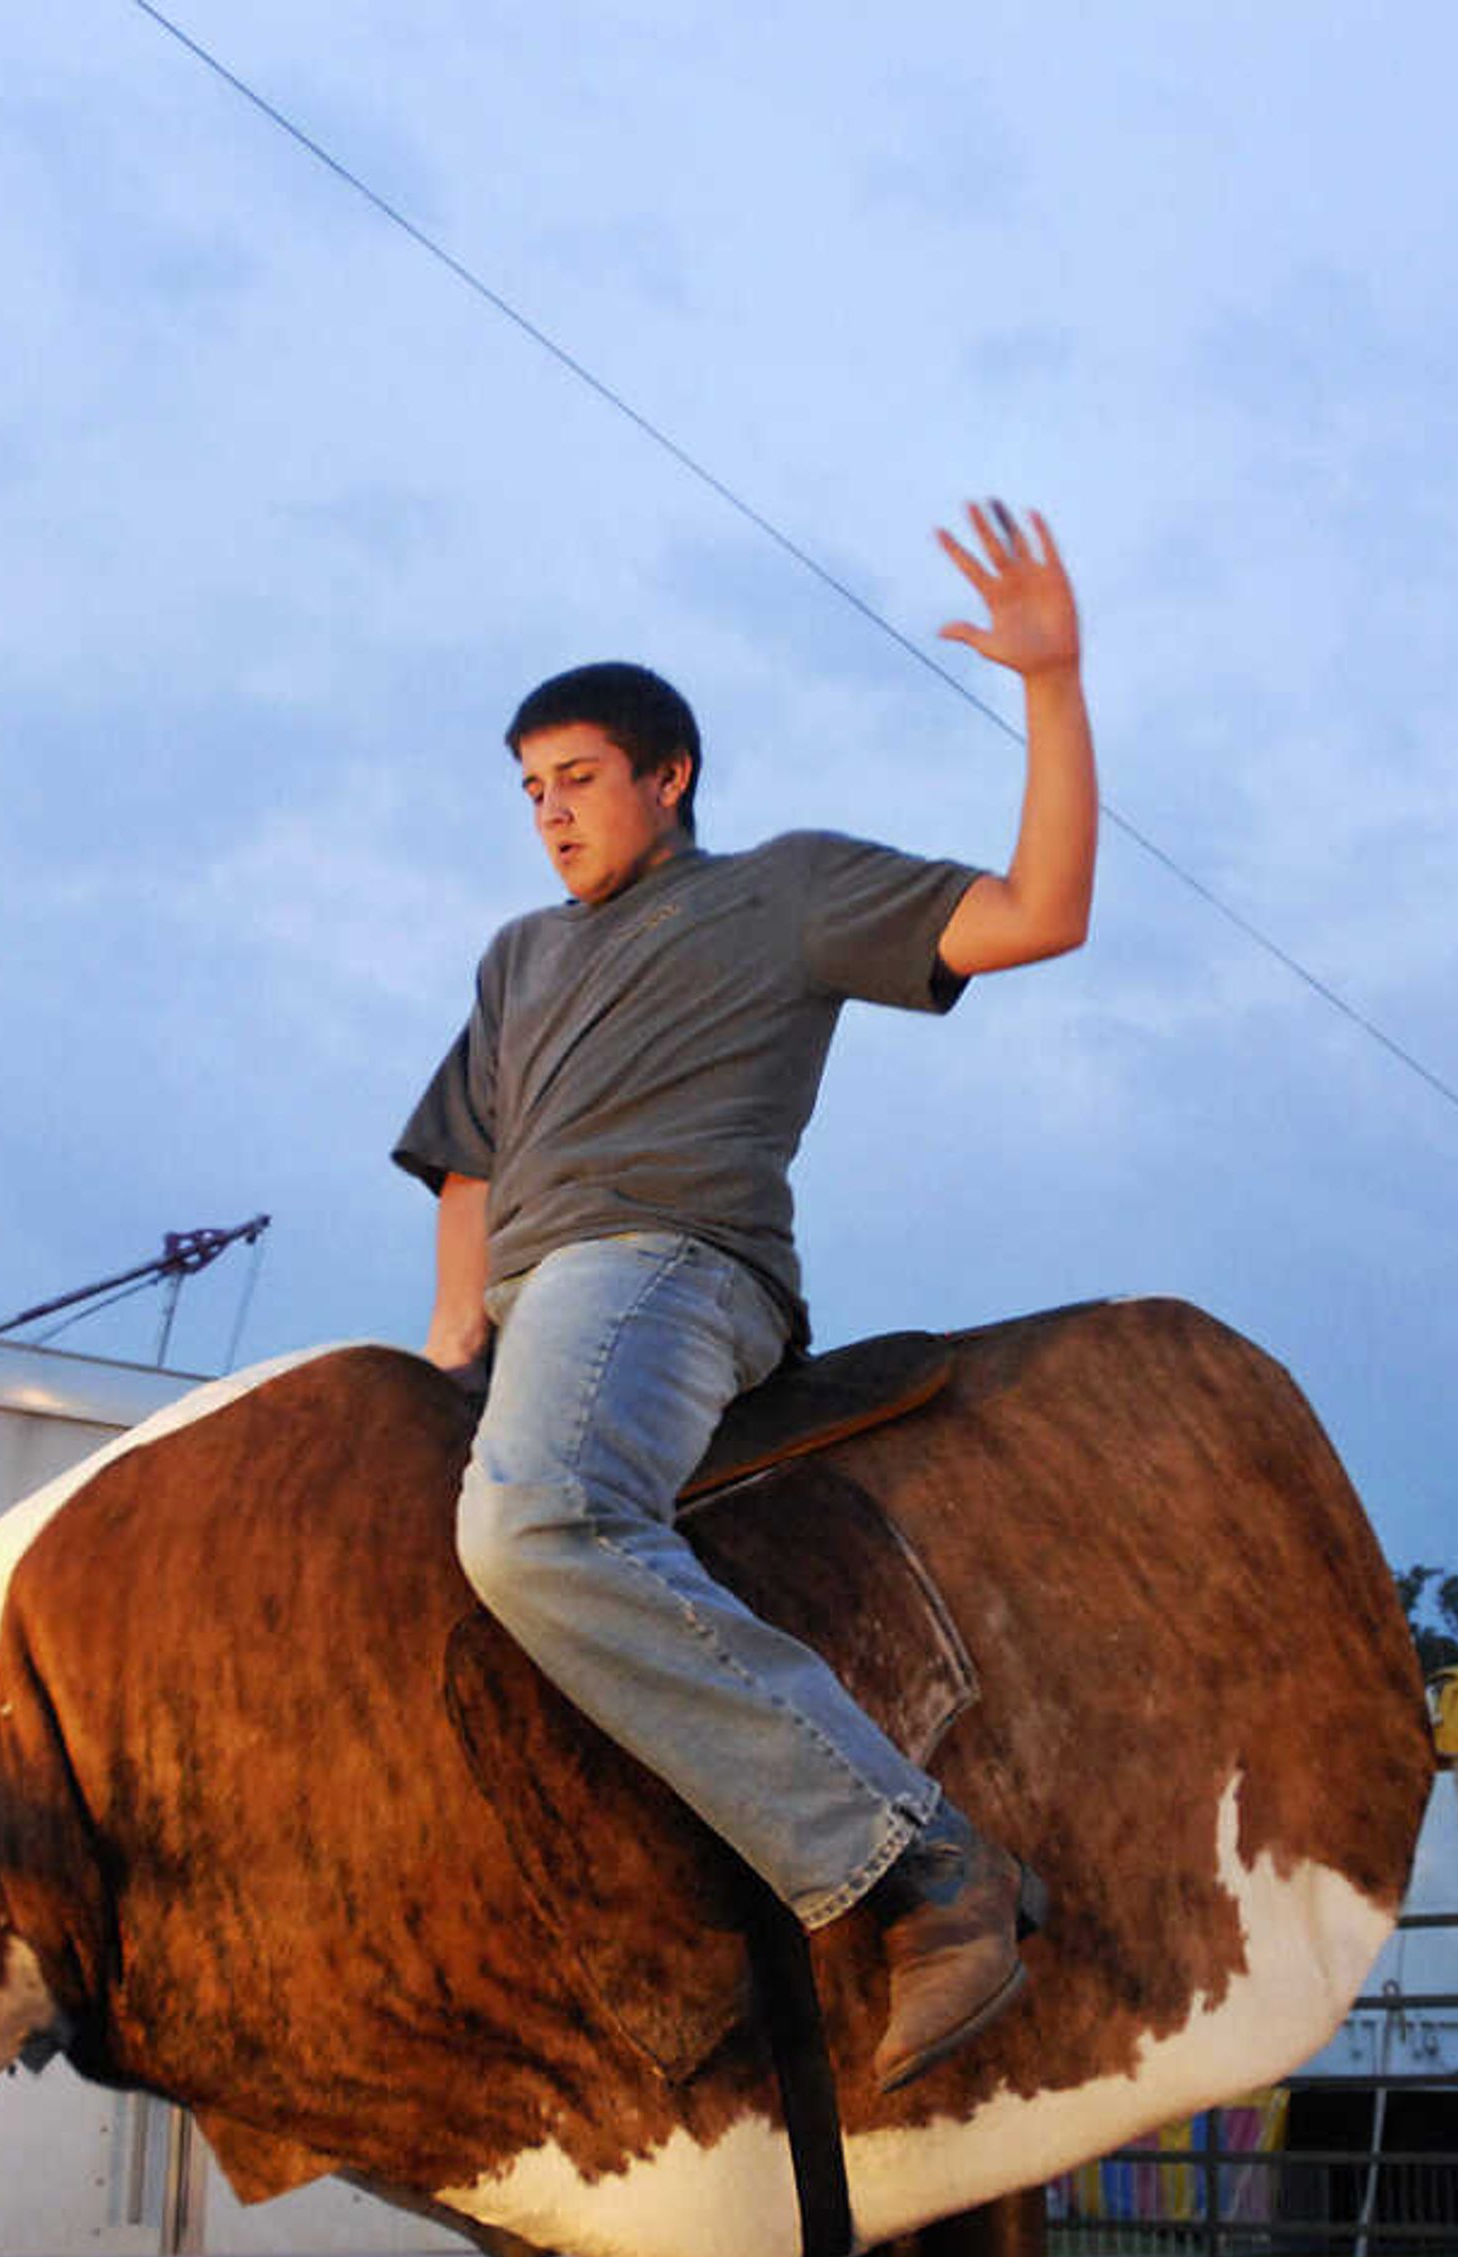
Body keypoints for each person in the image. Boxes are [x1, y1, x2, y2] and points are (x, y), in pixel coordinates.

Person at [391, 500, 1096, 2091]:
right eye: (528, 792)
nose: (550, 816)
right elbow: (465, 1154)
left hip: (670, 1267)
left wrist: (1050, 686)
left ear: (669, 776)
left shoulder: (776, 893)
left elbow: (1042, 911)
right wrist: (451, 1338)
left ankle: (922, 1865)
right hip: (532, 1308)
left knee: (539, 1522)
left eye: (576, 781)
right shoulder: (517, 958)